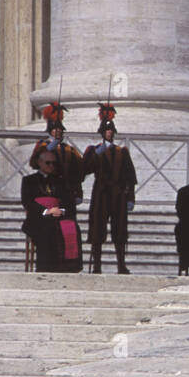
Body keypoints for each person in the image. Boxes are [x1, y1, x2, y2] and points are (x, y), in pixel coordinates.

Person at [81, 105, 137, 274]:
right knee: (98, 228)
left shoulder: (122, 152)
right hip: (101, 193)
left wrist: (130, 197)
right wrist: (96, 154)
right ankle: (97, 265)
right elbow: (85, 169)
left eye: (111, 130)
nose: (109, 133)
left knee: (120, 230)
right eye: (106, 131)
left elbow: (130, 176)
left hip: (118, 194)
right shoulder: (94, 150)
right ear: (102, 133)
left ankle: (121, 264)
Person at [21, 147, 82, 273]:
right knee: (47, 229)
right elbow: (27, 201)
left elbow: (68, 201)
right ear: (39, 163)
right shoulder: (29, 181)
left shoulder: (61, 181)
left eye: (54, 163)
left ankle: (69, 267)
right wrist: (46, 211)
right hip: (37, 217)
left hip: (58, 215)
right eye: (48, 163)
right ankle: (45, 268)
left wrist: (61, 210)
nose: (51, 166)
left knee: (73, 227)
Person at [28, 103, 83, 197]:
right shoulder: (42, 145)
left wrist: (78, 192)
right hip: (47, 186)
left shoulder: (69, 149)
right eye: (55, 129)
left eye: (60, 129)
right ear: (50, 130)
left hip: (65, 188)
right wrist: (52, 145)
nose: (58, 131)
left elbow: (77, 170)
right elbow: (34, 162)